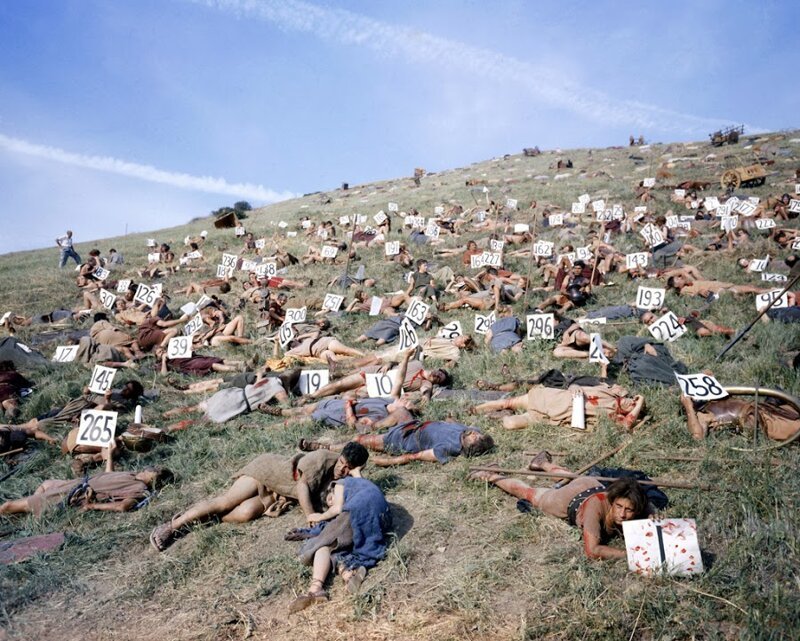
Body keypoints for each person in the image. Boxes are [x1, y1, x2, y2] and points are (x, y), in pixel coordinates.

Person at [150, 442, 369, 551]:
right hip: (267, 472)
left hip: (280, 493)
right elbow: (303, 487)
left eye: (349, 468)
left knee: (245, 513)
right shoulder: (321, 459)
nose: (343, 470)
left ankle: (208, 517)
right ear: (339, 457)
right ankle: (173, 525)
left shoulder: (348, 475)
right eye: (342, 464)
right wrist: (310, 516)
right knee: (226, 502)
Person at [468, 452, 652, 560]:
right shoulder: (595, 510)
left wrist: (655, 517)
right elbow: (592, 551)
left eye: (629, 510)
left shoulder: (637, 504)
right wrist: (628, 554)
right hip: (569, 500)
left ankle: (541, 463)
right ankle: (491, 475)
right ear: (612, 502)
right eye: (619, 507)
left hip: (590, 483)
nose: (623, 514)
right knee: (532, 494)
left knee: (572, 477)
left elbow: (650, 509)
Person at [287, 473, 391, 613]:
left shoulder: (339, 484)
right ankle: (348, 574)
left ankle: (316, 588)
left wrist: (319, 516)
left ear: (331, 490)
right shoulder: (362, 484)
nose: (331, 503)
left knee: (321, 545)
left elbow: (337, 508)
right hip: (383, 515)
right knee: (338, 546)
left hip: (359, 509)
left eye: (330, 499)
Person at [0, 440, 172, 517]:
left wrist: (91, 505)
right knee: (46, 484)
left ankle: (32, 507)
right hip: (77, 483)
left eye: (155, 471)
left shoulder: (140, 489)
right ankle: (33, 512)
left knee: (8, 505)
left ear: (154, 480)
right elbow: (109, 475)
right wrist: (109, 456)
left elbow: (122, 506)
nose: (153, 467)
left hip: (77, 493)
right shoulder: (132, 474)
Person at [302, 419, 494, 466]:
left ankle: (323, 448)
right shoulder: (467, 431)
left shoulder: (449, 448)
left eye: (476, 437)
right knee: (399, 409)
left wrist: (390, 461)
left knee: (361, 441)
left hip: (403, 439)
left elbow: (416, 456)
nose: (475, 433)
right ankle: (371, 424)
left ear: (470, 445)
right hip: (412, 425)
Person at [473, 382, 644, 430]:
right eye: (632, 399)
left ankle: (499, 416)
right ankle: (475, 410)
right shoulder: (608, 391)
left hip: (552, 417)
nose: (632, 402)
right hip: (551, 398)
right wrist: (575, 388)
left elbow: (628, 424)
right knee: (508, 402)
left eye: (634, 405)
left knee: (510, 424)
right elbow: (575, 384)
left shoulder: (613, 416)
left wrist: (640, 401)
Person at [680, 394, 800, 441]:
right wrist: (689, 407)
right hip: (764, 422)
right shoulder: (701, 415)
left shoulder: (711, 401)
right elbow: (697, 436)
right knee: (795, 427)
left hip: (765, 409)